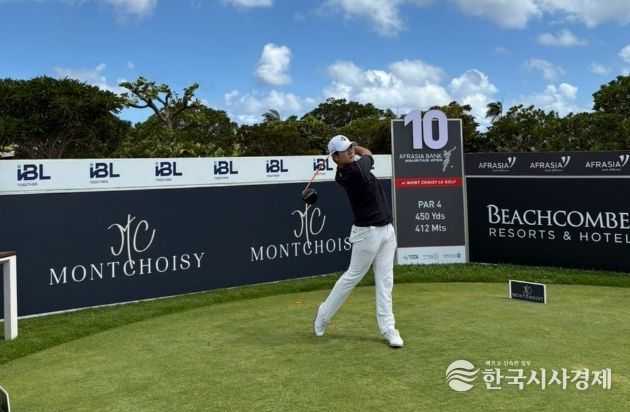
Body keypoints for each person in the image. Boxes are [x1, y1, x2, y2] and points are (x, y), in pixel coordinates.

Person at [313, 135, 403, 348]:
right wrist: (359, 148)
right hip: (367, 233)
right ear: (335, 158)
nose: (350, 151)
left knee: (385, 281)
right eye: (344, 150)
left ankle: (389, 329)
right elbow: (368, 154)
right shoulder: (353, 171)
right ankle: (323, 315)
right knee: (352, 277)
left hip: (387, 230)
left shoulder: (350, 166)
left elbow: (361, 154)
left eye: (350, 147)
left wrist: (351, 146)